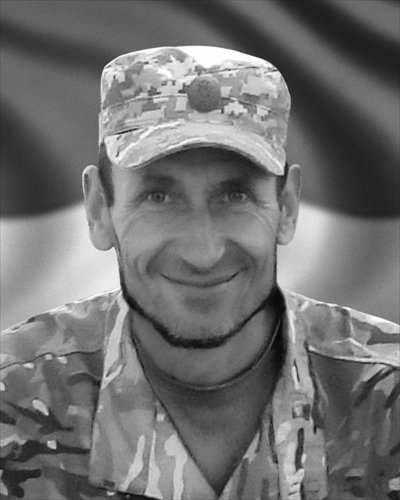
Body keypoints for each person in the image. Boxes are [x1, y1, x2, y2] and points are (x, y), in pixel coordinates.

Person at [0, 46, 399, 500]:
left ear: (286, 207)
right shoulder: (12, 396)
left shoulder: (388, 395)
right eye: (158, 197)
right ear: (99, 210)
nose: (203, 253)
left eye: (235, 196)